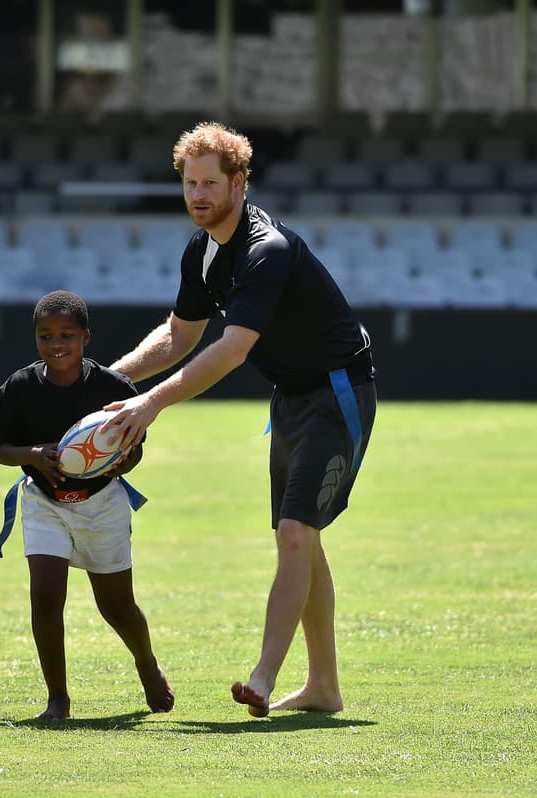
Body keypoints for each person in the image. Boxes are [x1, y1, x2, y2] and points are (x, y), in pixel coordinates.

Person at [103, 121, 376, 717]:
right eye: (189, 183)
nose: (197, 194)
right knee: (304, 538)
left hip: (337, 392)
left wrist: (150, 405)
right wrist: (115, 381)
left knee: (296, 534)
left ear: (239, 182)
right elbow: (179, 335)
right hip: (290, 400)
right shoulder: (202, 251)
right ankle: (325, 686)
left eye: (210, 182)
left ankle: (263, 677)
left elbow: (229, 350)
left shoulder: (266, 250)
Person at [0, 290, 173, 721]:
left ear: (85, 337)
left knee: (117, 607)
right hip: (43, 502)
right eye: (46, 335)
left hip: (102, 504)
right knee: (46, 597)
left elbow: (135, 449)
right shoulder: (21, 386)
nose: (56, 344)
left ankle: (146, 663)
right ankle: (58, 701)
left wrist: (124, 459)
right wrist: (34, 454)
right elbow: (0, 447)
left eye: (66, 334)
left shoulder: (113, 388)